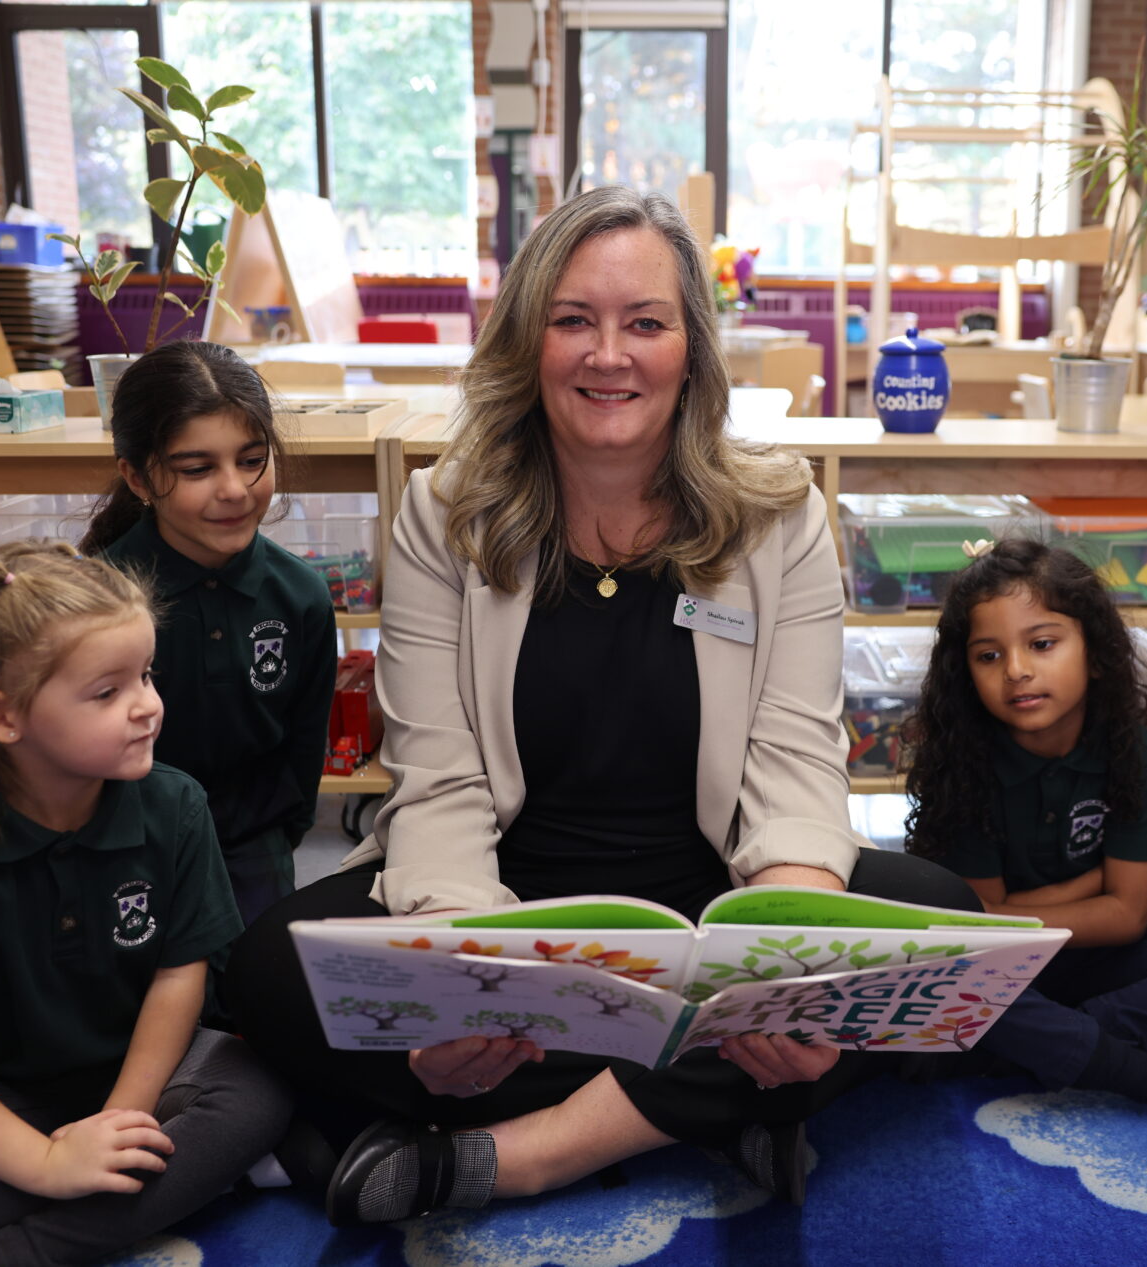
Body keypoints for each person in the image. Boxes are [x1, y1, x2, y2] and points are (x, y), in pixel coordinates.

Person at [223, 185, 984, 1223]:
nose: (607, 355)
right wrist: (466, 979)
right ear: (529, 341)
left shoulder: (780, 517)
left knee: (940, 920)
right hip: (506, 890)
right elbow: (436, 782)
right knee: (268, 968)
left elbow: (798, 763)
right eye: (573, 320)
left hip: (712, 896)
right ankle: (723, 1101)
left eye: (645, 323)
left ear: (691, 348)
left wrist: (790, 956)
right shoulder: (445, 514)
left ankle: (521, 1151)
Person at [0, 542, 291, 1267]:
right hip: (20, 1092)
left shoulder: (175, 805)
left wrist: (122, 1118)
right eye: (107, 691)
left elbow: (182, 977)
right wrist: (48, 1163)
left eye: (145, 674)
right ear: (0, 716)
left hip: (160, 1078)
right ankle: (218, 1175)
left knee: (260, 1090)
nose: (148, 705)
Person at [901, 536, 1147, 1150]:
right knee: (951, 980)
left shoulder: (1130, 749)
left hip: (1080, 966)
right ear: (964, 671)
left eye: (1043, 643)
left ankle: (1032, 1047)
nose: (1017, 670)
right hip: (995, 970)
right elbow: (983, 934)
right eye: (987, 655)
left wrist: (1086, 903)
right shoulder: (962, 764)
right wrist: (1095, 887)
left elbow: (1130, 917)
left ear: (1098, 652)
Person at [81, 340, 337, 926]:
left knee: (260, 995)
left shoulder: (301, 597)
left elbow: (301, 759)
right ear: (139, 478)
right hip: (119, 842)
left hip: (251, 848)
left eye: (252, 460)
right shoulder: (95, 600)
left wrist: (272, 845)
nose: (234, 490)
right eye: (197, 469)